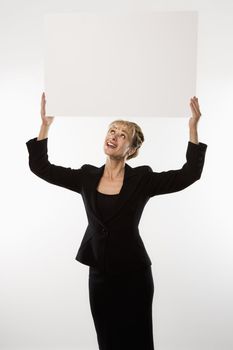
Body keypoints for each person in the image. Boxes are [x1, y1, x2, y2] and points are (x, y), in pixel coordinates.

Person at [26, 92, 207, 350]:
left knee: (138, 341)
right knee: (108, 341)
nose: (114, 135)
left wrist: (193, 128)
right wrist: (45, 125)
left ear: (132, 149)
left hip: (135, 274)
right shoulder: (87, 176)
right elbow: (41, 167)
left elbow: (189, 174)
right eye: (112, 130)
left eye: (123, 134)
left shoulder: (142, 179)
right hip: (99, 273)